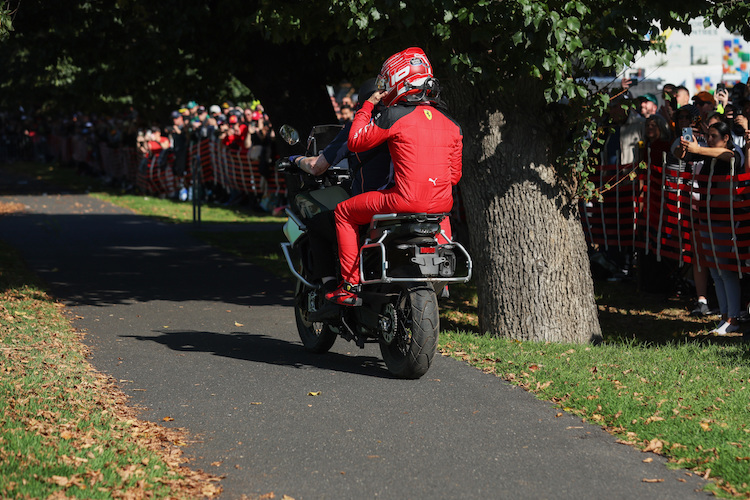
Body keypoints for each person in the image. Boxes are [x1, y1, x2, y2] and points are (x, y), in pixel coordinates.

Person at [324, 47, 463, 306]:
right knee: (440, 213)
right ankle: (442, 282)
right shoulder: (451, 123)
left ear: (398, 81)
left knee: (343, 212)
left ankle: (350, 285)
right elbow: (454, 176)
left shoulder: (393, 115)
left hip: (401, 201)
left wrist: (368, 105)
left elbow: (354, 141)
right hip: (442, 206)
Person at [675, 121, 749, 334]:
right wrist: (684, 147)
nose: (709, 139)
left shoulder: (733, 153)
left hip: (724, 219)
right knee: (716, 271)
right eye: (708, 135)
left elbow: (730, 157)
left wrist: (699, 149)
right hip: (707, 217)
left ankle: (733, 318)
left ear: (726, 138)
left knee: (725, 270)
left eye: (714, 136)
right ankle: (725, 316)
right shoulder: (706, 153)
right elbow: (679, 155)